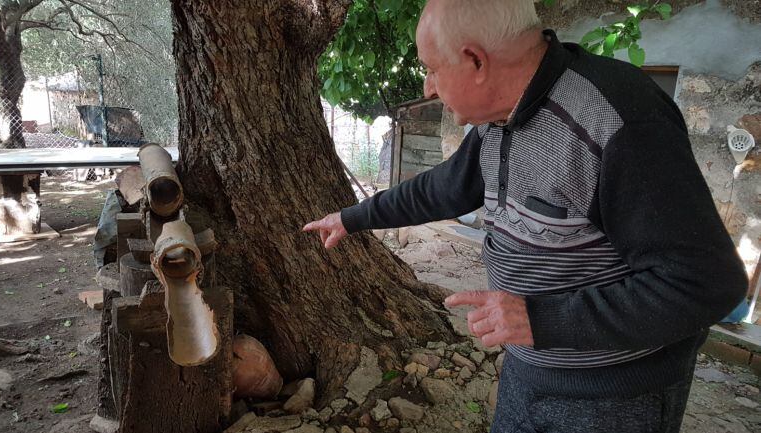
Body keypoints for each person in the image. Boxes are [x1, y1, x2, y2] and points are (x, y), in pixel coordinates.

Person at [303, 1, 748, 431]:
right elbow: (447, 187)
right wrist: (354, 217)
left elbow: (705, 284)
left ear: (475, 60)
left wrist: (540, 319)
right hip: (527, 368)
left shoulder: (619, 120)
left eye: (432, 69)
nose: (428, 88)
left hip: (614, 396)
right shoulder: (497, 120)